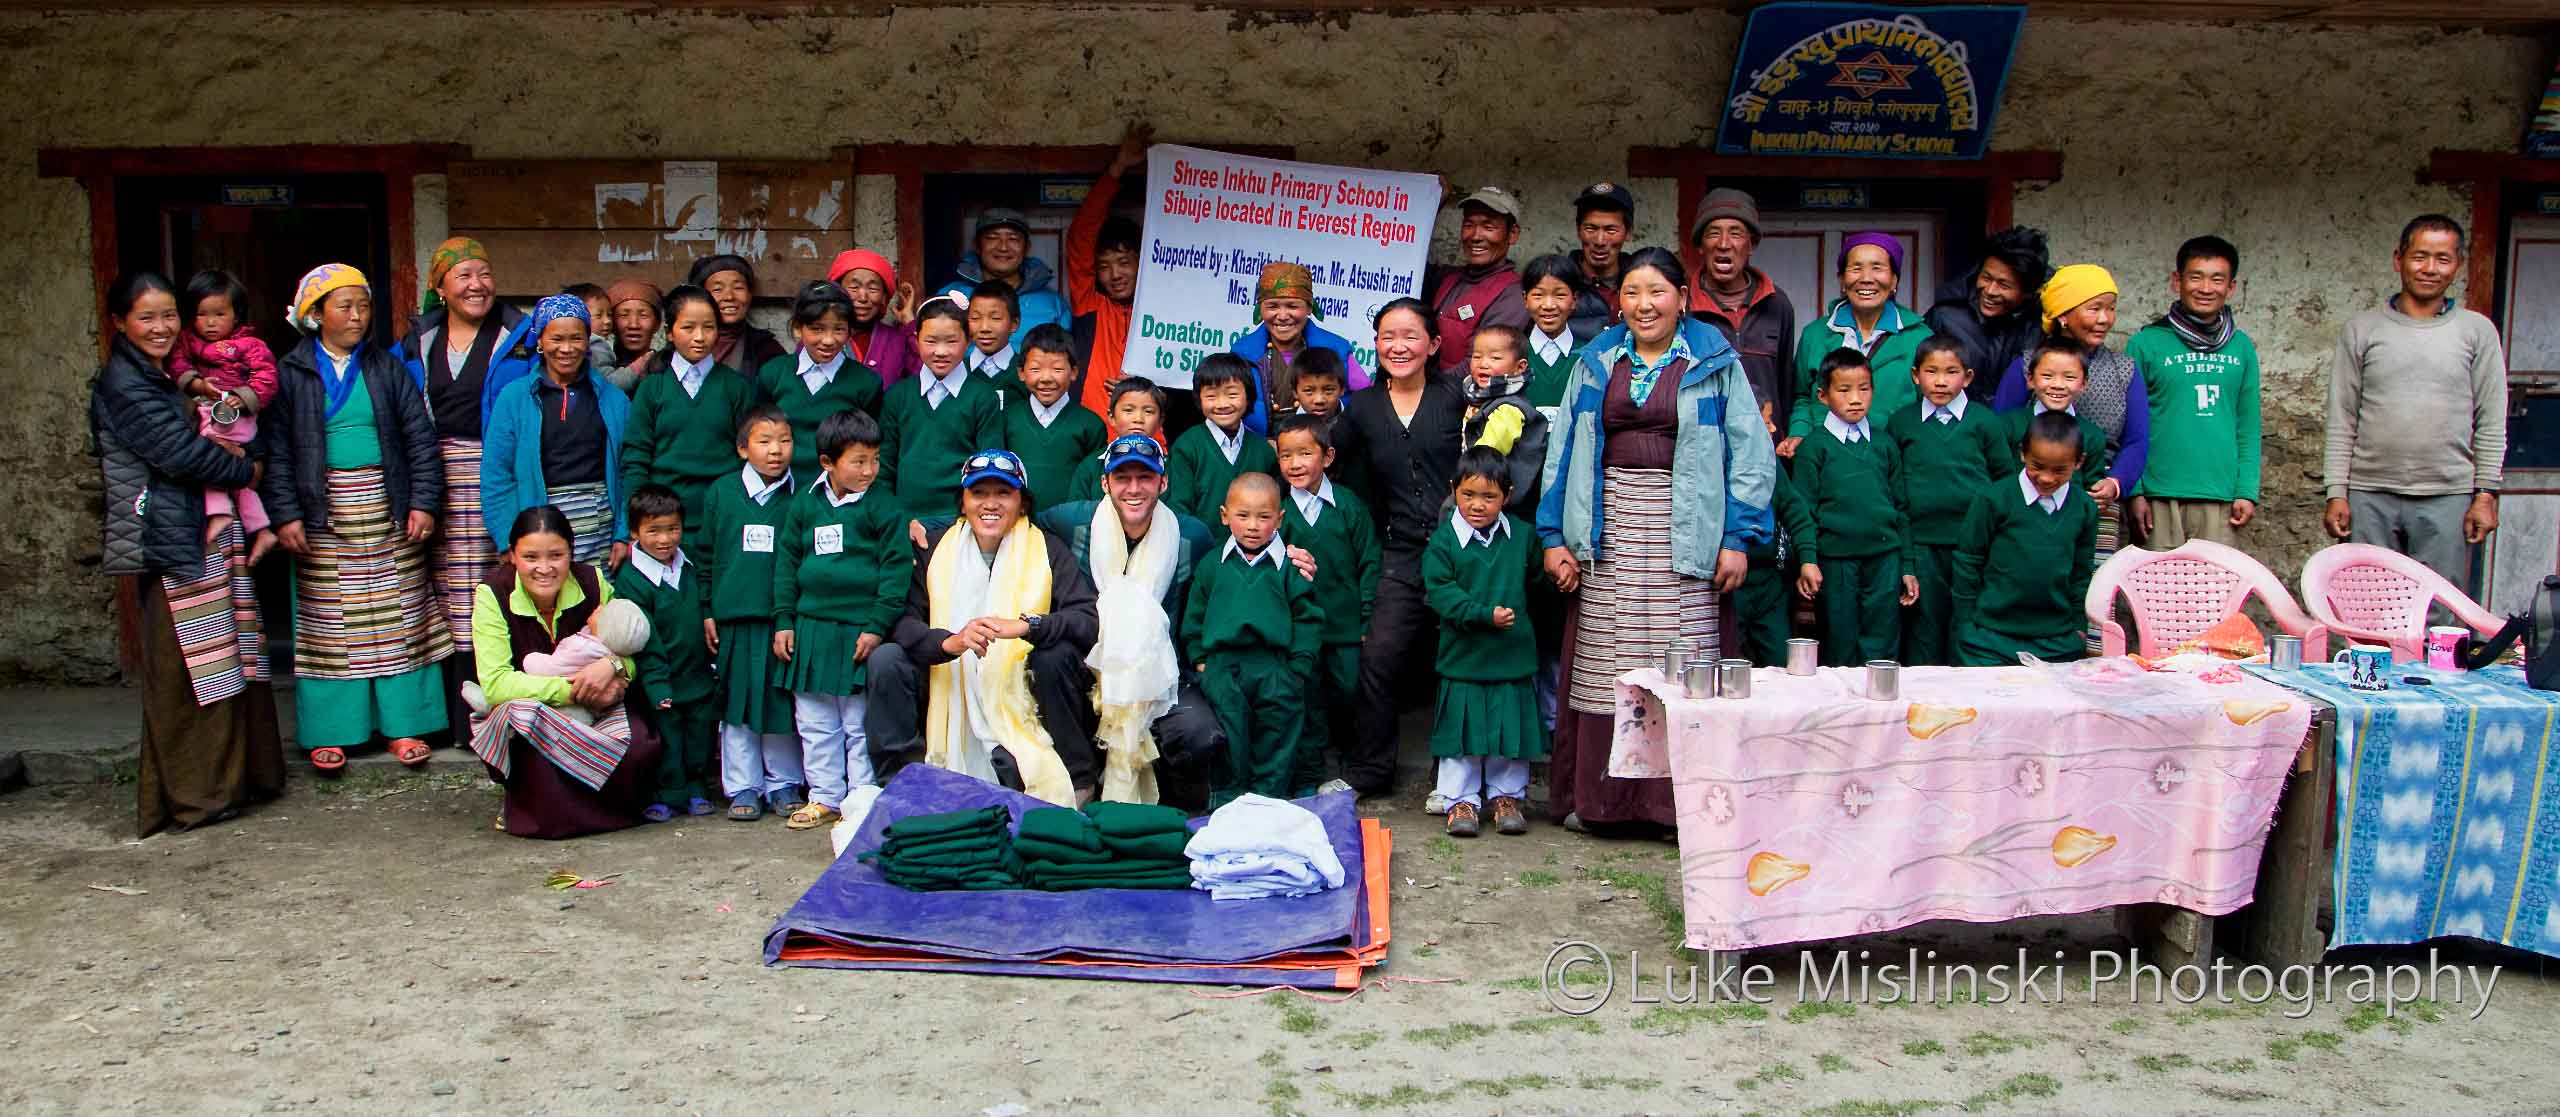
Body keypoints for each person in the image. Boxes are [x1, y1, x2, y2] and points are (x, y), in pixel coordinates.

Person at [1539, 247, 1774, 831]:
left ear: (1682, 297)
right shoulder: (1596, 360)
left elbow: (1751, 453)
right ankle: (1603, 804)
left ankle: (1677, 808)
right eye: (1632, 293)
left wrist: (1738, 537)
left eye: (1657, 292)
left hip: (1689, 530)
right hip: (1608, 529)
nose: (1644, 305)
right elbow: (1563, 450)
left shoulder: (1715, 361)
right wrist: (1554, 534)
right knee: (1609, 662)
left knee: (1682, 659)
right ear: (1619, 301)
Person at [90, 271, 283, 837]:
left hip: (203, 530)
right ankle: (195, 796)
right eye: (146, 317)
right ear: (119, 322)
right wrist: (248, 470)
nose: (162, 327)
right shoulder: (124, 384)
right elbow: (179, 453)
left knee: (230, 654)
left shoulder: (172, 373)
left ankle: (236, 783)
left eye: (169, 315)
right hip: (172, 536)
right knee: (188, 668)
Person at [262, 263, 451, 774]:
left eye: (363, 306)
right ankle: (332, 731)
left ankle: (404, 726)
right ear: (315, 314)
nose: (357, 316)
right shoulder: (291, 373)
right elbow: (277, 452)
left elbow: (419, 439)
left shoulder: (386, 368)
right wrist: (286, 515)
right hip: (323, 512)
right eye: (344, 307)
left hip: (387, 505)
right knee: (330, 625)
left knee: (399, 616)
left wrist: (423, 502)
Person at [867, 450, 1102, 805]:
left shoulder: (1047, 549)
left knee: (1057, 656)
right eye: (978, 493)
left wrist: (1027, 626)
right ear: (963, 502)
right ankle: (902, 781)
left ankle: (1077, 776)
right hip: (946, 682)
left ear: (1022, 503)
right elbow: (903, 620)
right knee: (887, 659)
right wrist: (949, 643)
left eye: (1003, 493)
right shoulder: (933, 548)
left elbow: (1086, 619)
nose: (990, 504)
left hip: (1020, 694)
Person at [1033, 432, 1226, 809]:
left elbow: (1232, 560)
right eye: (1122, 478)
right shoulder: (1074, 521)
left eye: (1145, 477)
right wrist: (929, 525)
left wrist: (1288, 555)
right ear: (1105, 483)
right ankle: (1081, 778)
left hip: (1161, 672)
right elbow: (1012, 519)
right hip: (1091, 665)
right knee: (1049, 659)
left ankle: (1172, 806)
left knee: (1198, 735)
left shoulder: (1190, 534)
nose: (1134, 489)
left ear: (1163, 482)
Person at [2323, 214, 2508, 593]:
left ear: (2458, 265)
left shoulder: (2476, 331)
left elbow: (2491, 418)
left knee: (2439, 606)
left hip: (2448, 495)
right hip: (2370, 493)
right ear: (2399, 259)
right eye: (2420, 256)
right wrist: (2337, 491)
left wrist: (2485, 493)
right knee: (2367, 603)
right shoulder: (2363, 328)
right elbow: (2342, 416)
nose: (2430, 268)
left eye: (2443, 259)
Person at [396, 237, 535, 742]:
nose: (477, 285)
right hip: (432, 476)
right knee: (438, 591)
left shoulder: (521, 336)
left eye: (484, 273)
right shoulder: (417, 341)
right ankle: (449, 717)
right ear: (439, 287)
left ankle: (500, 706)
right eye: (463, 276)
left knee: (491, 581)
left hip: (498, 471)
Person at [1332, 298, 1467, 798]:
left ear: (1433, 344)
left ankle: (1456, 778)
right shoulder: (1363, 407)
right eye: (1388, 336)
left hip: (1461, 548)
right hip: (1399, 551)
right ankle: (1370, 770)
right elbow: (1327, 459)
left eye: (1411, 335)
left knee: (1464, 658)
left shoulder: (1455, 398)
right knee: (1380, 656)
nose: (1398, 346)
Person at [467, 506, 666, 839]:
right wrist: (574, 690)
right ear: (512, 556)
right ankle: (535, 808)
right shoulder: (492, 594)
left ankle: (608, 809)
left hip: (599, 704)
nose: (544, 568)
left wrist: (612, 666)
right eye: (530, 557)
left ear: (571, 553)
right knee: (536, 751)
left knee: (639, 744)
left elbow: (630, 647)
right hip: (532, 707)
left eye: (556, 556)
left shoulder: (592, 582)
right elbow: (496, 682)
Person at [773, 411, 912, 831]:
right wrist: (784, 620)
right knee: (815, 720)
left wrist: (876, 625)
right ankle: (825, 797)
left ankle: (860, 798)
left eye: (875, 459)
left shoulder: (884, 506)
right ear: (827, 462)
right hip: (811, 629)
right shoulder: (805, 503)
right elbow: (787, 563)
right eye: (858, 461)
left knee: (857, 721)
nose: (869, 470)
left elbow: (895, 570)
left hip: (857, 630)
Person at [1991, 265, 2150, 626]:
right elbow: (2000, 431)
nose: (2104, 319)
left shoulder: (2124, 369)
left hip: (2095, 495)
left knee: (2090, 590)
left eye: (2110, 308)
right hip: (2030, 492)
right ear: (2063, 315)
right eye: (2094, 308)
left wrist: (2116, 483)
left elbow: (2137, 440)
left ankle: (2085, 653)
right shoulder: (2027, 364)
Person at [1182, 473, 1322, 806]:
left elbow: (1307, 618)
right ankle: (1229, 803)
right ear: (1224, 515)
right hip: (1223, 667)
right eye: (1243, 516)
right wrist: (1201, 660)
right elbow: (1195, 616)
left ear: (1280, 518)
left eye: (1264, 517)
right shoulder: (1212, 565)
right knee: (1230, 734)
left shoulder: (1289, 567)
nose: (1253, 526)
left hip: (1275, 667)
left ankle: (1268, 800)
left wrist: (1297, 668)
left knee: (1277, 732)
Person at [1425, 446, 1544, 838]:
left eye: (1489, 496)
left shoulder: (1523, 537)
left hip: (1511, 655)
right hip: (1464, 657)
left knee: (1508, 731)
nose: (1478, 505)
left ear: (1507, 496)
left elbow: (1537, 584)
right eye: (1468, 494)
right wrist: (1482, 615)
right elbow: (1441, 593)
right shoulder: (1443, 542)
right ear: (1453, 490)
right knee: (1462, 734)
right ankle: (1460, 800)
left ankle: (1506, 797)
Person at [2129, 236, 2262, 549]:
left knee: (2214, 580)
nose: (2205, 288)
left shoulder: (2241, 347)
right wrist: (2135, 492)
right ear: (2177, 281)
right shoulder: (2146, 343)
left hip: (2220, 495)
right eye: (2196, 277)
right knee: (2156, 579)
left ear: (2231, 287)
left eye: (2217, 279)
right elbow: (2130, 424)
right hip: (2159, 494)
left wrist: (2246, 490)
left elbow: (2248, 425)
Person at [702, 406, 802, 821]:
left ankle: (784, 782)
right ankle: (743, 785)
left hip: (781, 621)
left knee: (779, 703)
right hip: (734, 619)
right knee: (737, 703)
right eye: (764, 442)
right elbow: (705, 554)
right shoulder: (722, 493)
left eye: (784, 441)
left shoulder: (801, 496)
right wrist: (707, 608)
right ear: (743, 449)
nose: (776, 451)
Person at [1886, 335, 2010, 666]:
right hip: (1922, 545)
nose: (1941, 381)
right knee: (1923, 627)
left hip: (1972, 546)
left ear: (1967, 377)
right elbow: (1894, 491)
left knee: (1967, 623)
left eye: (1951, 372)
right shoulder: (1902, 422)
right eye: (1931, 371)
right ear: (1915, 375)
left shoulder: (1984, 422)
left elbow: (2004, 482)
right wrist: (1907, 559)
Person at [1272, 414, 1378, 798]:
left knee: (1349, 693)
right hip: (1302, 631)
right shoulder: (1279, 514)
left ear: (1328, 457)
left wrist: (1366, 619)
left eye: (1305, 454)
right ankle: (1311, 773)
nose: (1295, 463)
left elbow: (1369, 563)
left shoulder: (1348, 506)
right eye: (1286, 455)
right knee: (1308, 698)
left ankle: (1352, 769)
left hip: (1346, 629)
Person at [481, 294, 629, 567]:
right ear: (540, 341)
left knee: (596, 592)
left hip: (599, 525)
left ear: (588, 340)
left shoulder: (614, 399)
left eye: (576, 338)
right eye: (556, 339)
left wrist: (623, 533)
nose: (567, 348)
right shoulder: (514, 398)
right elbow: (497, 475)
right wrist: (507, 538)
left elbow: (627, 471)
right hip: (537, 524)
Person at [1791, 349, 1917, 666]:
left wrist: (1907, 565)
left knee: (1882, 642)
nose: (1856, 399)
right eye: (1844, 390)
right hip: (1836, 562)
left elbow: (1901, 508)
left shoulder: (1885, 444)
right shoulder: (1814, 447)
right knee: (1839, 642)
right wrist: (1808, 560)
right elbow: (1803, 512)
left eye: (1864, 389)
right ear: (1823, 395)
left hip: (1884, 558)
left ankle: (1881, 698)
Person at [620, 285, 761, 556]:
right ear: (669, 332)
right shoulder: (653, 388)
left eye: (709, 327)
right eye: (688, 327)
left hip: (721, 514)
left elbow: (749, 456)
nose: (699, 337)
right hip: (662, 519)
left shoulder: (736, 387)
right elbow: (636, 457)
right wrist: (634, 521)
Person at [1951, 411, 2099, 666]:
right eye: (2037, 466)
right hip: (1989, 638)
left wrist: (2078, 627)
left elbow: (2081, 572)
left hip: (2058, 640)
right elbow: (1968, 560)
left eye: (2059, 470)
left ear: (2079, 462)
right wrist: (1966, 623)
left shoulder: (2084, 507)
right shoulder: (1994, 498)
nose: (2047, 478)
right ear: (2023, 454)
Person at [609, 484, 717, 821]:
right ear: (634, 532)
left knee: (699, 734)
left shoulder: (690, 565)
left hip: (697, 672)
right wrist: (657, 685)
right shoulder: (631, 579)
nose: (665, 539)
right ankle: (668, 793)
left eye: (673, 529)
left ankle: (697, 787)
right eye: (654, 531)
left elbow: (705, 603)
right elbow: (645, 638)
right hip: (661, 679)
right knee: (667, 738)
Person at [1783, 233, 1931, 455]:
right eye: (1856, 268)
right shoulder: (1816, 334)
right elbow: (1802, 396)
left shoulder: (1919, 338)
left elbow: (1931, 403)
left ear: (1894, 280)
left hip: (1895, 456)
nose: (1866, 278)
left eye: (1877, 268)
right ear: (1842, 280)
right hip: (1827, 456)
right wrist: (1799, 432)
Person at [169, 269, 280, 564]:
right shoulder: (187, 342)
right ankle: (261, 529)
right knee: (235, 476)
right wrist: (197, 385)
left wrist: (243, 398)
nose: (210, 322)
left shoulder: (251, 345)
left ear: (236, 315)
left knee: (209, 451)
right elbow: (177, 365)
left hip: (236, 416)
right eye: (202, 314)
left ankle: (219, 513)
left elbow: (267, 377)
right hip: (206, 408)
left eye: (219, 314)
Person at [1683, 189, 1796, 440]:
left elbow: (1785, 384)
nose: (1724, 244)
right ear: (1700, 245)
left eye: (1735, 233)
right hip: (1704, 445)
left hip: (1766, 442)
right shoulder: (1682, 305)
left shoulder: (1777, 303)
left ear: (1751, 244)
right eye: (1713, 233)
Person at [880, 295, 1005, 513]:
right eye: (931, 341)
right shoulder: (898, 396)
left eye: (951, 341)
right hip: (906, 516)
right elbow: (885, 463)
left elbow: (989, 465)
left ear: (968, 341)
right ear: (916, 339)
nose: (940, 351)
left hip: (961, 517)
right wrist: (890, 515)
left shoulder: (983, 397)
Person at [758, 280, 886, 487]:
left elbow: (873, 446)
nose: (828, 340)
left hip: (839, 492)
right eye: (817, 329)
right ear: (798, 328)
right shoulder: (773, 374)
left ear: (850, 331)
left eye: (839, 329)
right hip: (780, 488)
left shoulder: (866, 383)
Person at [1066, 124, 1147, 417]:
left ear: (1142, 262)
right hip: (1094, 429)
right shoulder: (1092, 304)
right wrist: (1117, 169)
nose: (1115, 274)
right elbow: (1081, 236)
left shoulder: (1160, 311)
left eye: (1124, 262)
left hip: (1148, 431)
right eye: (1104, 266)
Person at [1231, 261, 1370, 433]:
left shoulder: (1336, 349)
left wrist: (1333, 422)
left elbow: (1366, 399)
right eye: (1272, 306)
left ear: (1309, 308)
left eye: (1292, 306)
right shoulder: (1242, 352)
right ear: (1261, 309)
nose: (1282, 316)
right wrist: (1258, 443)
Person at [1925, 226, 2051, 405]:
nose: (1990, 291)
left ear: (2028, 292)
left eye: (2004, 285)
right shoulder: (1944, 318)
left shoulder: (2041, 325)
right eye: (1986, 278)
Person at [1001, 324, 1107, 514]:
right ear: (1021, 373)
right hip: (1016, 521)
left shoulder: (1091, 424)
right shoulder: (1007, 419)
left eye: (1057, 369)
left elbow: (1094, 483)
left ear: (1074, 372)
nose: (1046, 378)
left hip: (1068, 524)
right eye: (1035, 369)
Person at [932, 208, 1071, 351]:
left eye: (1013, 239)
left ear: (1027, 247)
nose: (1003, 247)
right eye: (992, 238)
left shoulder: (1053, 303)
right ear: (977, 245)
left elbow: (1064, 357)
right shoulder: (951, 296)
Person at [1165, 353, 1279, 523]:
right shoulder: (1186, 447)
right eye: (1211, 396)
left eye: (1232, 395)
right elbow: (1178, 510)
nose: (1222, 404)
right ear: (1199, 399)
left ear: (1248, 396)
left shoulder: (1264, 451)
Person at [1429, 187, 1531, 375]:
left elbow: (1480, 365)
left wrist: (1425, 389)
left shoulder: (1514, 295)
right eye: (1469, 225)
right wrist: (1434, 201)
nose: (1475, 236)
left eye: (1488, 227)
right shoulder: (1447, 278)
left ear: (1512, 234)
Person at [2000, 341, 2113, 502]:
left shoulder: (2092, 435)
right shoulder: (2007, 425)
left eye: (2069, 377)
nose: (2058, 385)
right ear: (2030, 379)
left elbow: (2091, 489)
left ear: (2083, 383)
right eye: (2047, 376)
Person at [1460, 324, 1548, 518]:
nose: (1483, 363)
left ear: (1520, 367)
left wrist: (1460, 489)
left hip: (1500, 501)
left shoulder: (1508, 409)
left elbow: (1486, 454)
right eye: (1477, 356)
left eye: (1495, 358)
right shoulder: (1482, 399)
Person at [1067, 375, 1167, 503]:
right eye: (1128, 410)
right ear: (1111, 417)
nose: (1138, 419)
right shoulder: (1091, 465)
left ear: (1160, 420)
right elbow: (1075, 510)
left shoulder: (1169, 466)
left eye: (1148, 411)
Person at [829, 249, 920, 388]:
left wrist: (909, 324)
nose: (863, 297)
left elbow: (923, 380)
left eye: (873, 289)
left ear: (884, 297)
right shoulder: (821, 337)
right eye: (854, 287)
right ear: (837, 292)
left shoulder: (897, 340)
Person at [689, 254, 788, 376]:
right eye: (717, 289)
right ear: (701, 298)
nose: (729, 297)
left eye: (738, 288)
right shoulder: (683, 345)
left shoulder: (766, 350)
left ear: (750, 295)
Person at [1564, 182, 1632, 340]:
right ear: (1578, 230)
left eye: (1611, 230)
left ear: (1628, 232)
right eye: (1591, 229)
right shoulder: (1560, 281)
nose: (1600, 241)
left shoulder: (1643, 280)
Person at [1519, 254, 1587, 409]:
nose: (1548, 305)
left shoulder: (1587, 355)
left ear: (1575, 299)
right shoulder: (1512, 355)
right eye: (1538, 295)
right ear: (1525, 299)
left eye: (1560, 295)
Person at [594, 279, 663, 394]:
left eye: (643, 315)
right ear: (611, 323)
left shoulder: (665, 369)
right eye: (624, 315)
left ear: (657, 324)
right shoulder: (597, 365)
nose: (633, 325)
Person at [963, 280, 1025, 396]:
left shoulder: (1026, 372)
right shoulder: (956, 371)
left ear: (1014, 324)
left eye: (995, 318)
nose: (984, 328)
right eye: (975, 318)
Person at [1289, 348, 1349, 424]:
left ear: (1342, 389)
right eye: (1308, 391)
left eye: (1328, 390)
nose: (1319, 400)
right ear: (1295, 392)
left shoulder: (1355, 426)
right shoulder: (1287, 429)